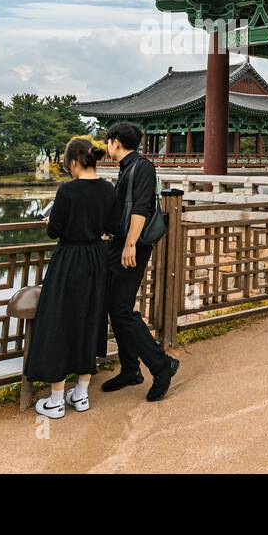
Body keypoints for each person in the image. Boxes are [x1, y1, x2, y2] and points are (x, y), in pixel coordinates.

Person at [25, 137, 114, 419]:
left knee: (60, 322)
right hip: (97, 260)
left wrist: (49, 223)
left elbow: (55, 231)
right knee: (89, 319)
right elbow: (110, 227)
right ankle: (81, 394)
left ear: (74, 162)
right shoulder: (108, 189)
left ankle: (56, 400)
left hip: (70, 261)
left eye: (68, 164)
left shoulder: (67, 191)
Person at [101, 121, 180, 402]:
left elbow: (141, 207)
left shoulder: (142, 167)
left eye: (108, 141)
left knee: (121, 309)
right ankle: (130, 369)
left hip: (131, 247)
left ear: (116, 142)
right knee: (114, 307)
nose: (106, 145)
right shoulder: (125, 169)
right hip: (118, 244)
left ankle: (161, 365)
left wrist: (131, 244)